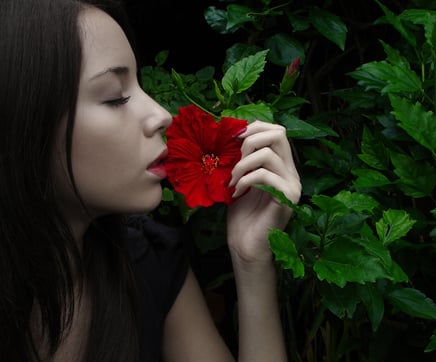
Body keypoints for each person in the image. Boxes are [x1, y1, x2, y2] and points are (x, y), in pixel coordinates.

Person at [0, 0, 302, 361]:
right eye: (116, 97)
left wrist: (252, 262)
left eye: (140, 85)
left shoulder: (150, 264)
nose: (161, 115)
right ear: (22, 122)